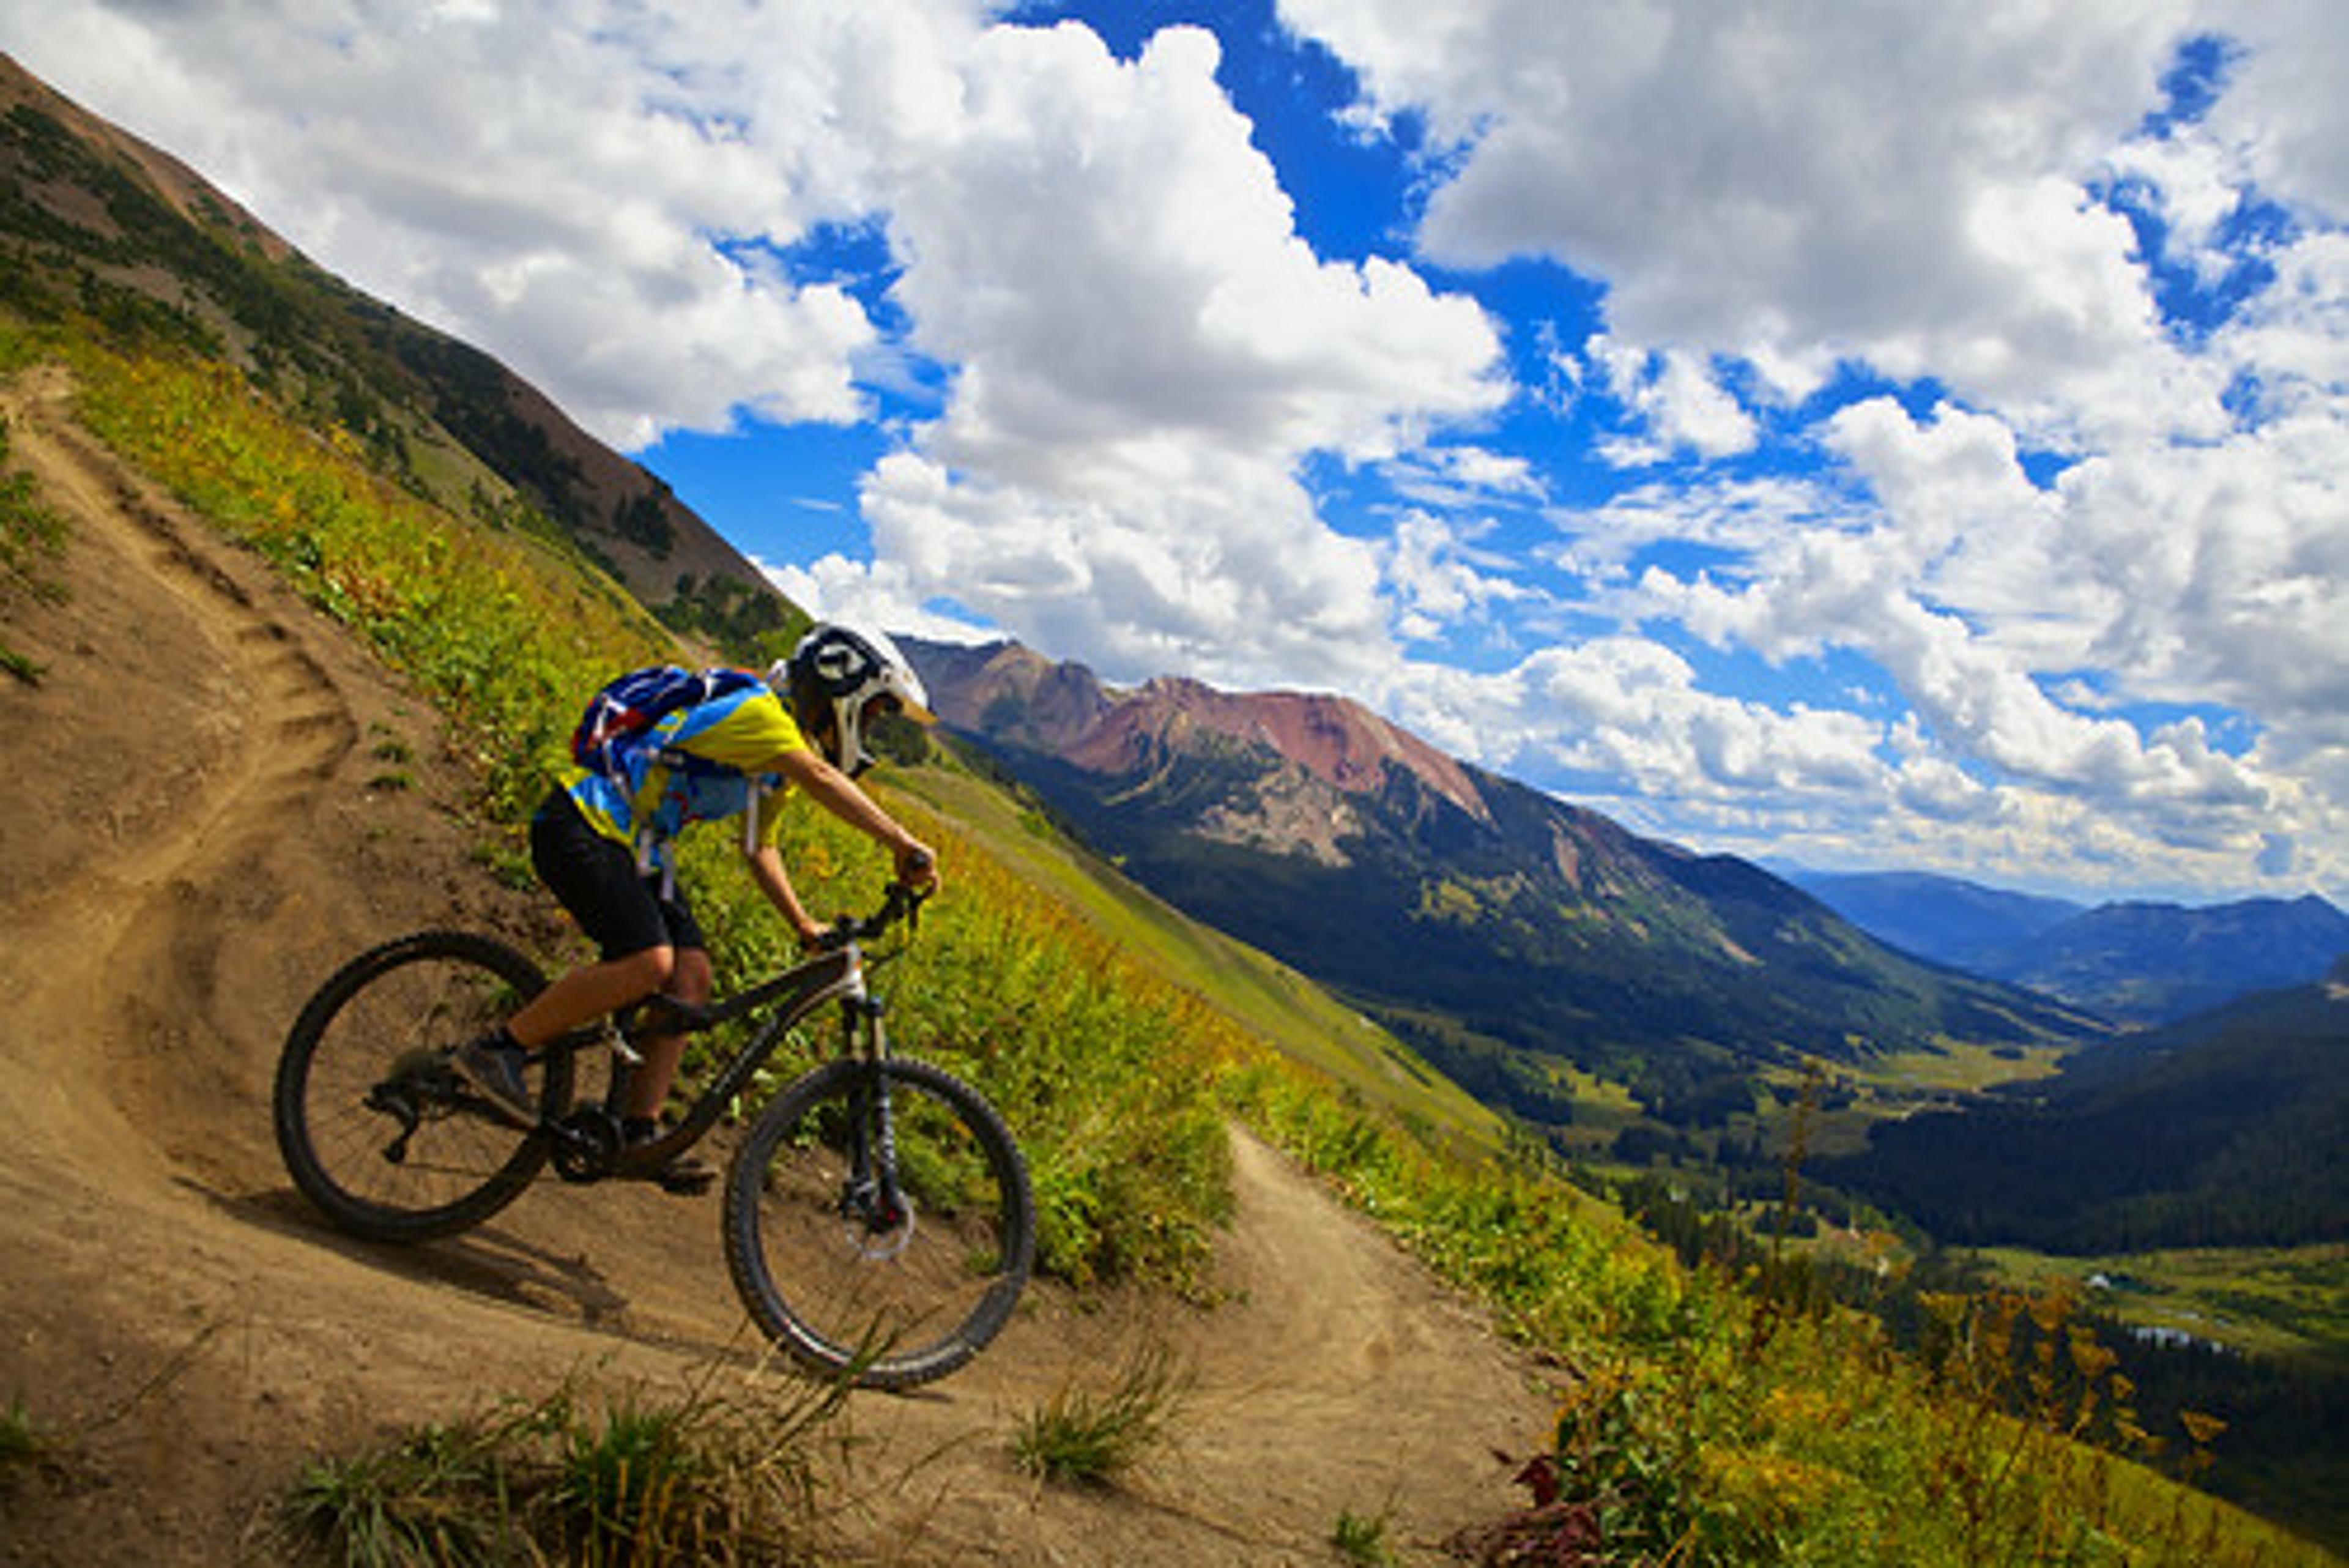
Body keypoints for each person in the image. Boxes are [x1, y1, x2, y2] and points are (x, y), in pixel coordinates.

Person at [453, 622, 940, 1183]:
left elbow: (761, 848)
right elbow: (818, 775)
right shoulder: (762, 716)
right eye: (875, 712)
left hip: (638, 848)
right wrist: (900, 841)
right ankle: (498, 1049)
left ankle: (641, 1132)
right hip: (583, 821)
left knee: (690, 978)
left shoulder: (776, 762)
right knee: (648, 963)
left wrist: (802, 923)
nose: (872, 726)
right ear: (843, 684)